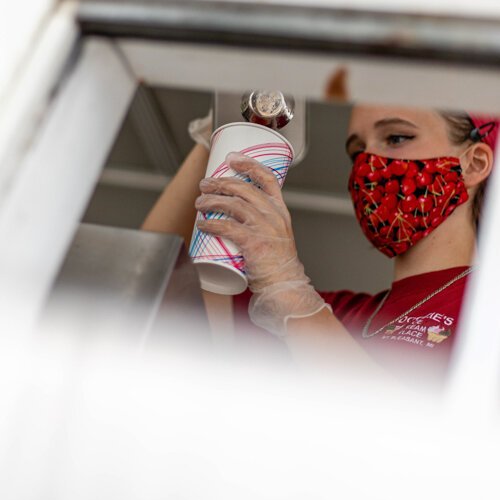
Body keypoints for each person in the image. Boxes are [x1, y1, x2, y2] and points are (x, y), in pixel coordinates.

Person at [142, 105, 497, 383]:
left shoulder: (487, 309)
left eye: (397, 138)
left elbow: (415, 435)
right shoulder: (335, 313)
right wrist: (219, 138)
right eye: (356, 152)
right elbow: (153, 283)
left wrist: (290, 292)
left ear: (474, 164)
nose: (368, 166)